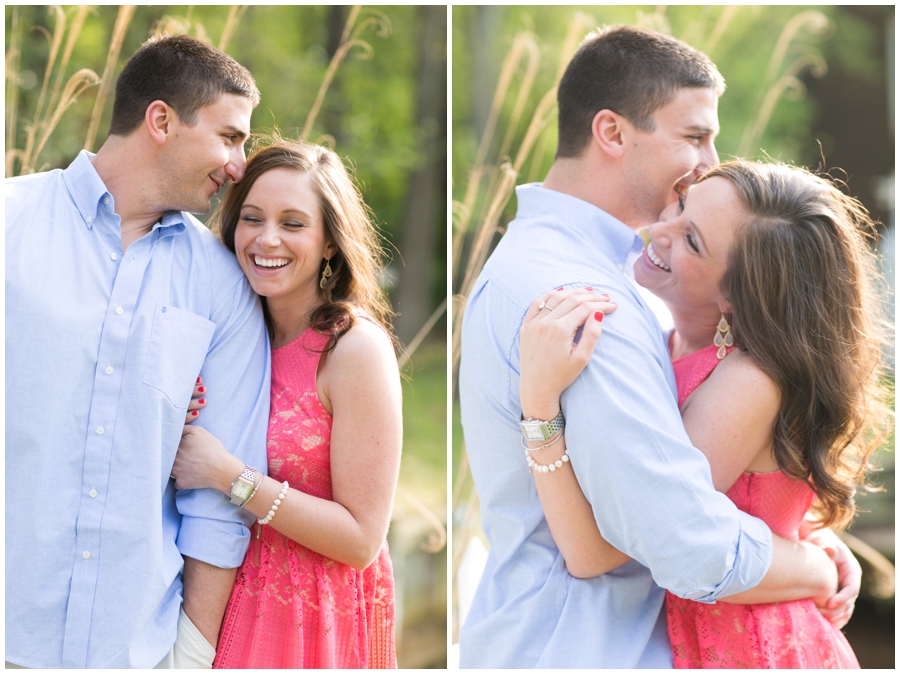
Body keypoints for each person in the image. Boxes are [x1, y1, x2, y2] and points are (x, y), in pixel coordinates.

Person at [457, 25, 861, 668]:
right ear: (612, 133)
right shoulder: (587, 299)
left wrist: (806, 545)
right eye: (695, 136)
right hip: (581, 648)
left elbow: (691, 505)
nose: (709, 158)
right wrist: (811, 566)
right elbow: (680, 539)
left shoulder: (596, 276)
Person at [519, 160, 891, 667]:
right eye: (683, 203)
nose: (659, 228)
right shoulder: (660, 339)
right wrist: (811, 544)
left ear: (736, 295)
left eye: (692, 241)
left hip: (756, 649)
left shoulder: (749, 381)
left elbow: (598, 554)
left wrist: (538, 403)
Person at [5, 35, 269, 668]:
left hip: (135, 652)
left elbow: (217, 502)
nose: (238, 165)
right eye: (230, 137)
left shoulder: (223, 283)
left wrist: (191, 654)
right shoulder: (10, 221)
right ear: (161, 120)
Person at [170, 139, 402, 668]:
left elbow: (362, 539)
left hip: (312, 619)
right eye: (252, 218)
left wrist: (230, 475)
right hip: (217, 598)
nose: (266, 239)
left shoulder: (353, 349)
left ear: (328, 243)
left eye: (293, 223)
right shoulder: (227, 332)